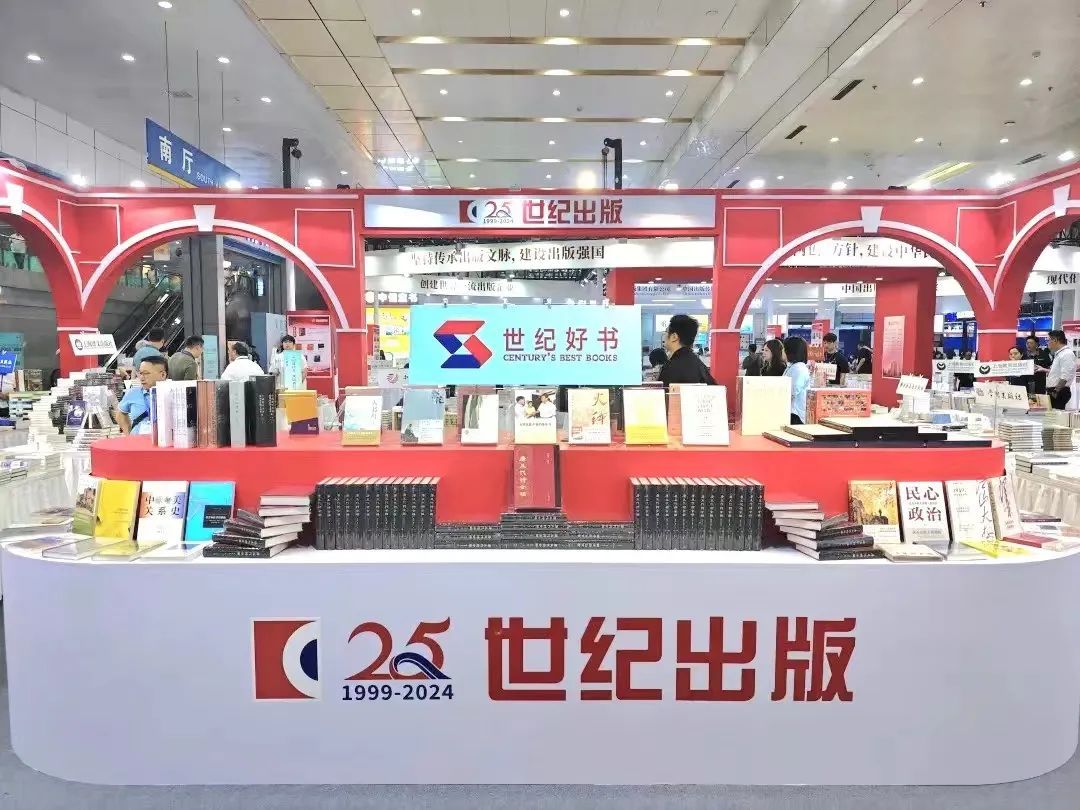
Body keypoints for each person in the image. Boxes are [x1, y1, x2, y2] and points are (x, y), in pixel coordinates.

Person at [658, 314, 716, 387]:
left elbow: (662, 393)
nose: (664, 336)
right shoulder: (699, 365)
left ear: (674, 337)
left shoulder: (671, 368)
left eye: (666, 332)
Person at [117, 355, 168, 435]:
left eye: (146, 373)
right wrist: (129, 434)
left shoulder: (173, 394)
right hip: (137, 441)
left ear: (163, 375)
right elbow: (120, 414)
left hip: (164, 441)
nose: (141, 378)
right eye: (140, 373)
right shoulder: (133, 393)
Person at [783, 336, 811, 425]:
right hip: (792, 411)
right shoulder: (793, 366)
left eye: (784, 349)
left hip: (795, 414)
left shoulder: (798, 369)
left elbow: (793, 391)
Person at [1045, 329, 1077, 410]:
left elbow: (1065, 376)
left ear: (1055, 340)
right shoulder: (1060, 353)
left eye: (1049, 340)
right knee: (1051, 416)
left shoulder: (1067, 354)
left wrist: (1055, 392)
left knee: (1056, 416)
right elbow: (1057, 373)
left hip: (1059, 391)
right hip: (1055, 391)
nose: (1047, 343)